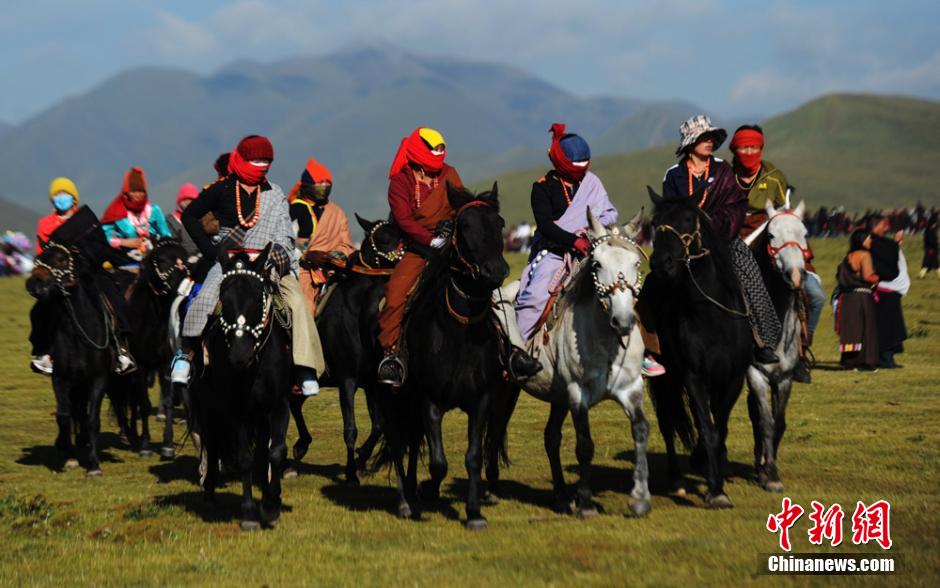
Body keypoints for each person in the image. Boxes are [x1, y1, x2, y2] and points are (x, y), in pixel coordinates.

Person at [375, 127, 540, 387]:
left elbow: (462, 206)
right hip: (417, 248)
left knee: (490, 289)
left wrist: (451, 233)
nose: (440, 154)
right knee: (395, 294)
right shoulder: (401, 181)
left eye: (442, 149)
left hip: (450, 245)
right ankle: (392, 354)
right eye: (435, 149)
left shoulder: (449, 174)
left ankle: (510, 350)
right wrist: (430, 239)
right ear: (419, 150)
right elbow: (404, 220)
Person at [171, 135, 325, 396]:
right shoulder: (221, 189)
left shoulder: (274, 193)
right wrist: (211, 252)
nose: (262, 165)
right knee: (204, 299)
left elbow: (285, 232)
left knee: (297, 302)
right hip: (229, 260)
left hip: (268, 261)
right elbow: (189, 216)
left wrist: (277, 255)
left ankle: (304, 367)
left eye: (266, 161)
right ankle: (185, 355)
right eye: (256, 160)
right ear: (241, 160)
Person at [513, 124, 664, 378]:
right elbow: (546, 227)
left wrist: (595, 233)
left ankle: (643, 353)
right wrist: (574, 241)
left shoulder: (591, 182)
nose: (580, 176)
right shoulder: (542, 188)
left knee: (624, 286)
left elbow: (608, 212)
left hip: (594, 248)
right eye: (575, 170)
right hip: (554, 253)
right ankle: (516, 352)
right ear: (561, 164)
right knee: (535, 297)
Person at [661, 115, 779, 363]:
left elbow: (737, 205)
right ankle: (655, 347)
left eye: (711, 137)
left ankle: (763, 342)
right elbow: (669, 212)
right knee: (657, 280)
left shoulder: (723, 170)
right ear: (690, 143)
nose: (709, 141)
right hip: (685, 243)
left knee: (750, 274)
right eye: (704, 137)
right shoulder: (673, 176)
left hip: (723, 239)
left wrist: (716, 229)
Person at [729, 125, 822, 382]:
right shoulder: (725, 176)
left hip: (774, 244)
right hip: (736, 243)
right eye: (744, 147)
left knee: (815, 294)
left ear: (761, 148)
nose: (749, 152)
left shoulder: (775, 177)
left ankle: (802, 350)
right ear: (734, 149)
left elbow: (785, 214)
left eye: (754, 147)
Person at [288, 157, 355, 316]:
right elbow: (286, 242)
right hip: (301, 271)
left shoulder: (337, 212)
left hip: (334, 269)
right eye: (320, 183)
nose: (324, 186)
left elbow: (347, 244)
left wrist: (333, 256)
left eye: (327, 183)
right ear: (308, 185)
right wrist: (306, 256)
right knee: (305, 307)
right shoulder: (294, 210)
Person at [101, 167, 173, 261]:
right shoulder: (116, 213)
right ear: (126, 193)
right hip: (127, 260)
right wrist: (123, 242)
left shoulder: (154, 210)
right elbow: (103, 237)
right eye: (133, 191)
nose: (138, 195)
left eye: (141, 191)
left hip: (156, 260)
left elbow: (167, 236)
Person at [835, 230, 880, 371]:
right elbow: (867, 276)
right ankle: (865, 362)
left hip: (847, 298)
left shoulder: (847, 257)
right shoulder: (865, 255)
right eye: (868, 239)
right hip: (862, 297)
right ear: (861, 241)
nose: (870, 242)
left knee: (851, 331)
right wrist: (878, 278)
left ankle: (849, 362)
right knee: (866, 329)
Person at [868, 214, 908, 368]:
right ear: (876, 226)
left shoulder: (877, 242)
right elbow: (887, 258)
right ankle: (885, 359)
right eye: (882, 225)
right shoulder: (875, 243)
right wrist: (895, 244)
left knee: (890, 326)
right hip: (883, 290)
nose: (885, 228)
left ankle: (887, 358)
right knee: (887, 327)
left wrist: (895, 243)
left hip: (887, 290)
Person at [166, 183, 202, 263]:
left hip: (204, 256)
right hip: (185, 260)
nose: (188, 202)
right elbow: (173, 245)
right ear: (179, 201)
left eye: (191, 199)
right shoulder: (171, 220)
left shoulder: (201, 217)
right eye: (185, 199)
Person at [920, 214, 939, 278]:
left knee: (927, 263)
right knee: (934, 263)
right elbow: (931, 241)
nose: (935, 225)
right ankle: (921, 275)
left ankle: (921, 275)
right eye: (935, 224)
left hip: (929, 249)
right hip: (931, 249)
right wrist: (936, 243)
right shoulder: (930, 231)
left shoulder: (928, 230)